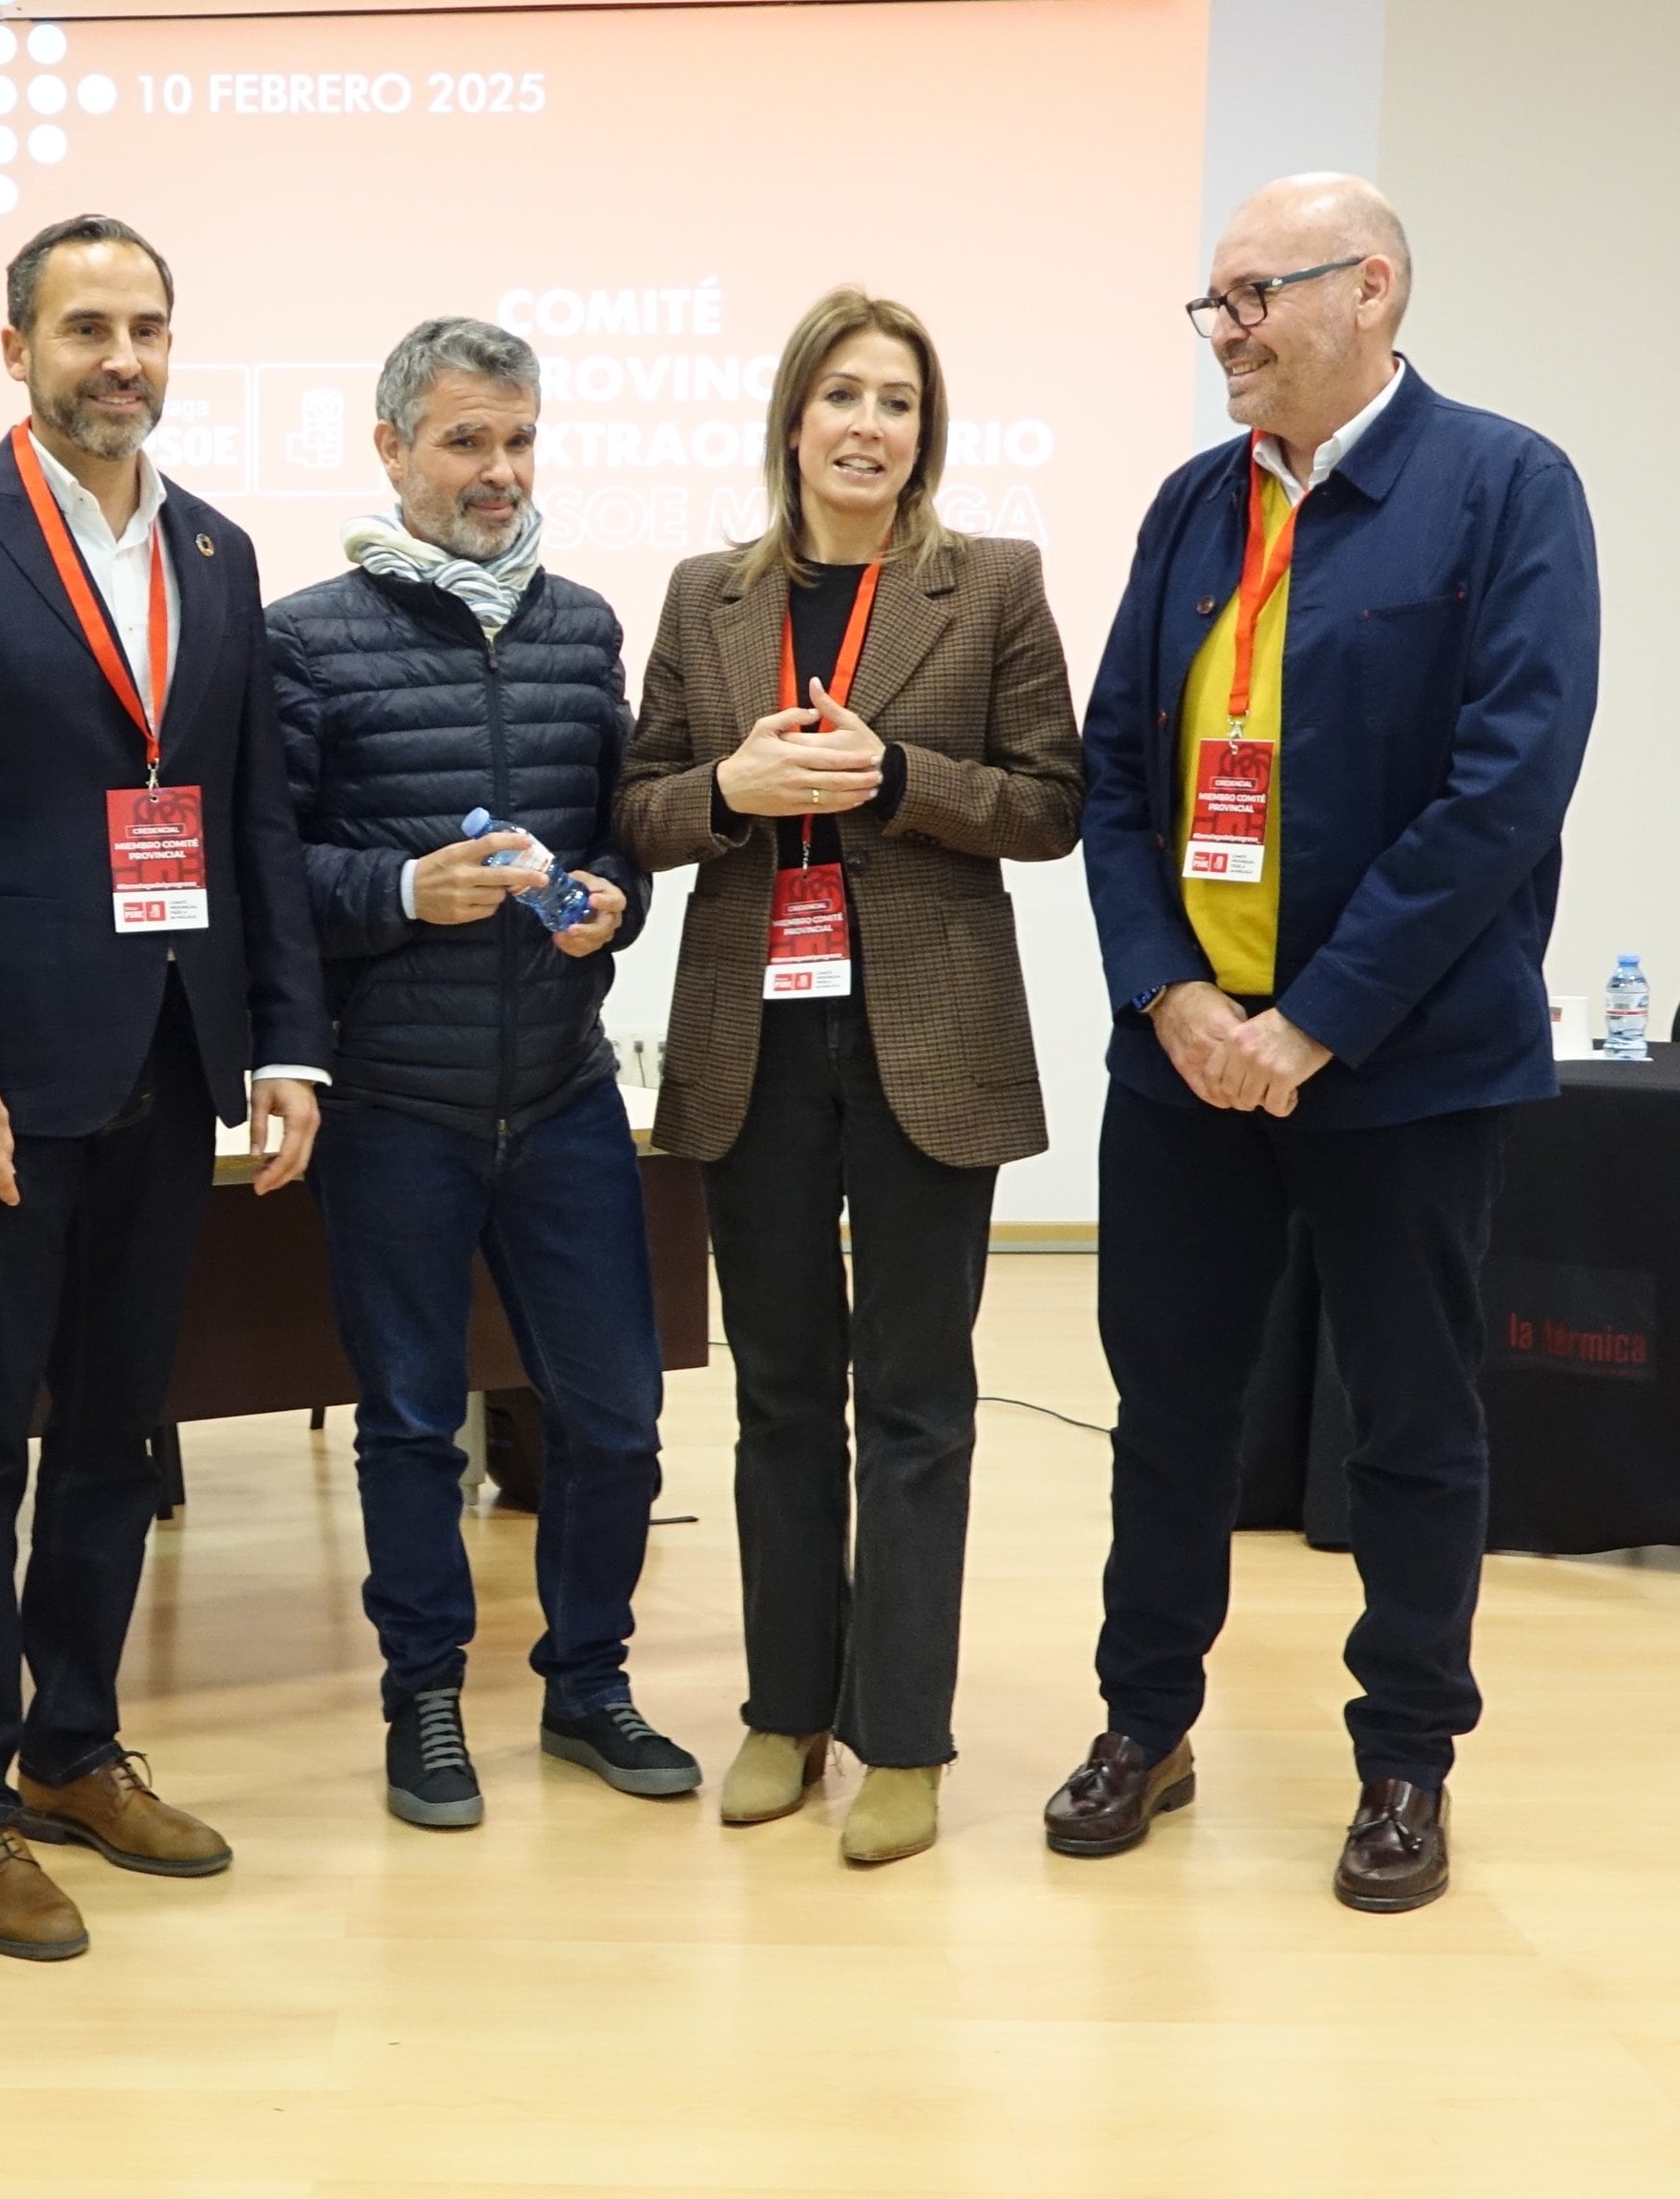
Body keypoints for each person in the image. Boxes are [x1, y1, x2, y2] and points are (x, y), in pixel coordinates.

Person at [1047, 174, 1599, 1913]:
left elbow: (1502, 788)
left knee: (1412, 1421)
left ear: (1368, 289)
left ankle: (1406, 1759)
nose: (1223, 333)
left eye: (1248, 297)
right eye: (1210, 306)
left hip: (1405, 1067)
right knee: (1169, 1413)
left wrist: (1315, 1022)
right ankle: (1147, 1720)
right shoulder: (1190, 506)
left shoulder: (1506, 486)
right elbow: (1117, 780)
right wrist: (1179, 999)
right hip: (1189, 1066)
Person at [0, 215, 331, 1960]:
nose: (119, 357)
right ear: (18, 347)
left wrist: (283, 1035)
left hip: (172, 1053)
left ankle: (73, 1747)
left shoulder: (218, 545)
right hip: (4, 1084)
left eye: (145, 327)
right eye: (83, 328)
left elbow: (247, 811)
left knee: (122, 1431)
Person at [615, 290, 1083, 1866]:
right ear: (793, 423)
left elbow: (1051, 804)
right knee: (776, 1392)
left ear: (923, 434)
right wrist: (729, 792)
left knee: (918, 1397)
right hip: (755, 1032)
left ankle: (903, 1736)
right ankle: (780, 1709)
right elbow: (636, 811)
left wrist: (902, 779)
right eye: (842, 396)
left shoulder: (993, 584)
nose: (869, 425)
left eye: (898, 401)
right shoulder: (707, 597)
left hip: (929, 1034)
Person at [265, 315, 687, 1831]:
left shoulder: (581, 623)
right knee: (411, 1425)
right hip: (397, 1105)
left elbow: (616, 828)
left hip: (563, 1090)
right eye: (463, 441)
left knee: (617, 1415)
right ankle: (424, 1701)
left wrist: (611, 902)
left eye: (516, 439)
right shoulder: (306, 635)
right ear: (392, 449)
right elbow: (276, 869)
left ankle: (588, 1682)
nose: (497, 470)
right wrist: (400, 891)